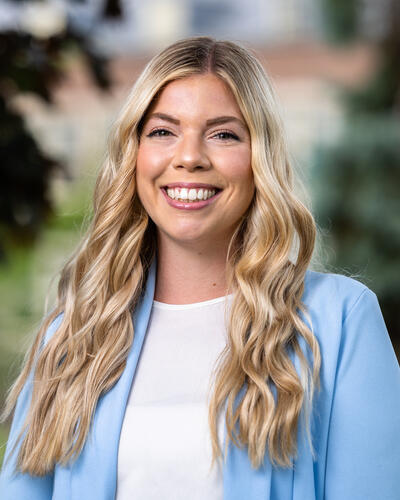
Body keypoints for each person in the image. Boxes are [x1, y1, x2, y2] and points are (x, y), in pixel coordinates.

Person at [1, 36, 399, 500]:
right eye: (163, 131)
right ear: (134, 156)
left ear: (260, 158)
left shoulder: (339, 322)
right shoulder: (74, 336)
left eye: (223, 133)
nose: (189, 156)